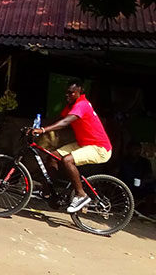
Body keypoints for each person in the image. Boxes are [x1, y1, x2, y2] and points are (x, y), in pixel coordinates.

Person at [31, 81, 113, 213]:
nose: (67, 95)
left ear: (80, 93)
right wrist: (36, 127)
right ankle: (47, 191)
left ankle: (81, 195)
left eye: (71, 92)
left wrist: (43, 130)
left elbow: (65, 122)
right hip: (84, 143)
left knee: (67, 160)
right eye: (66, 92)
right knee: (53, 157)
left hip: (99, 148)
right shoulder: (71, 105)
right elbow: (59, 120)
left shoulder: (82, 104)